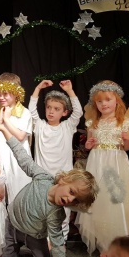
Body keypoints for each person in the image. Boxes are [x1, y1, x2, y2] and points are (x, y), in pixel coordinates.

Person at [0, 111, 98, 257]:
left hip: (34, 236)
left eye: (75, 200)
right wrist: (4, 130)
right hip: (13, 225)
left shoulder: (56, 214)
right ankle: (21, 255)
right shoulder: (43, 177)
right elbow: (22, 157)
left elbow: (58, 245)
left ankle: (39, 256)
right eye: (71, 192)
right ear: (64, 180)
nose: (70, 199)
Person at [75, 80, 129, 257]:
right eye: (99, 101)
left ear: (117, 100)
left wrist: (127, 141)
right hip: (97, 162)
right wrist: (88, 144)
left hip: (116, 162)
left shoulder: (124, 121)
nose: (104, 104)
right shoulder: (93, 122)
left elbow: (126, 148)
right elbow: (89, 145)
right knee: (100, 200)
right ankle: (105, 242)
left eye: (108, 100)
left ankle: (121, 242)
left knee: (117, 200)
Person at [28, 79, 83, 242]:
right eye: (49, 107)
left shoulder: (67, 127)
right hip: (43, 179)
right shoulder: (39, 125)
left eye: (57, 109)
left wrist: (70, 91)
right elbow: (31, 110)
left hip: (63, 178)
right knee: (42, 210)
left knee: (63, 211)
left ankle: (61, 240)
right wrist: (37, 88)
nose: (51, 111)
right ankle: (44, 242)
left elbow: (78, 112)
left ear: (64, 112)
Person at [0, 72, 32, 205]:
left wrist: (6, 120)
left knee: (18, 192)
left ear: (16, 93)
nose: (1, 97)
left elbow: (20, 136)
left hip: (16, 158)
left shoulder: (24, 113)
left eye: (5, 94)